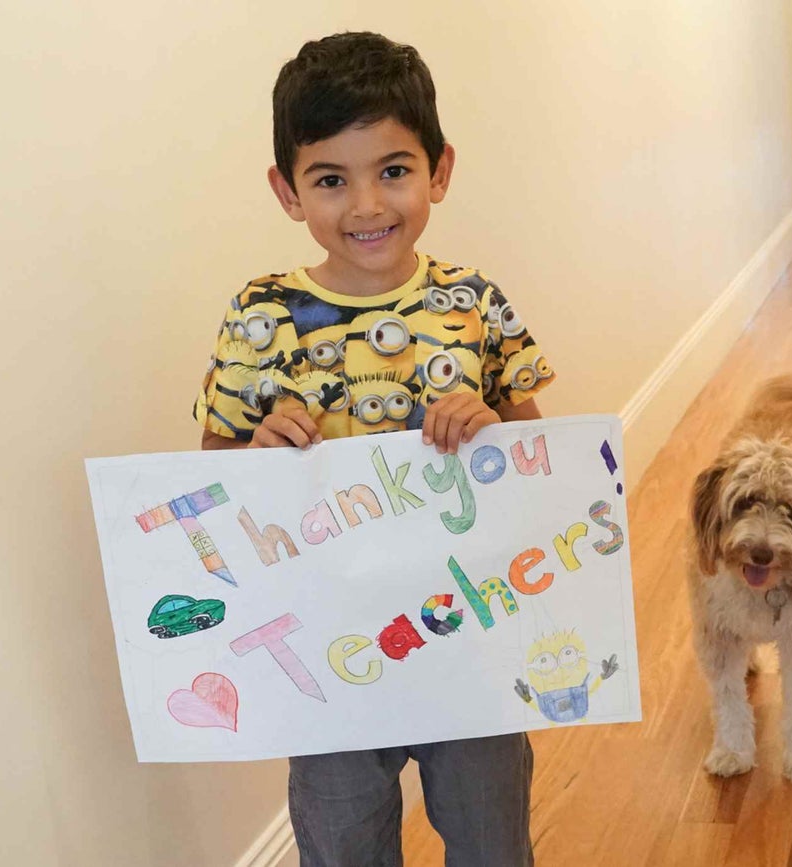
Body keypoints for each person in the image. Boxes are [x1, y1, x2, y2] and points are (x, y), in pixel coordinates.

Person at [193, 31, 555, 867]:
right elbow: (210, 470)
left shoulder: (475, 304)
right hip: (328, 654)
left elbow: (545, 460)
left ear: (440, 169)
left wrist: (494, 433)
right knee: (344, 843)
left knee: (492, 837)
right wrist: (255, 448)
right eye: (330, 179)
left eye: (392, 170)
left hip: (468, 637)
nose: (366, 205)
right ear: (288, 191)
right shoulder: (260, 315)